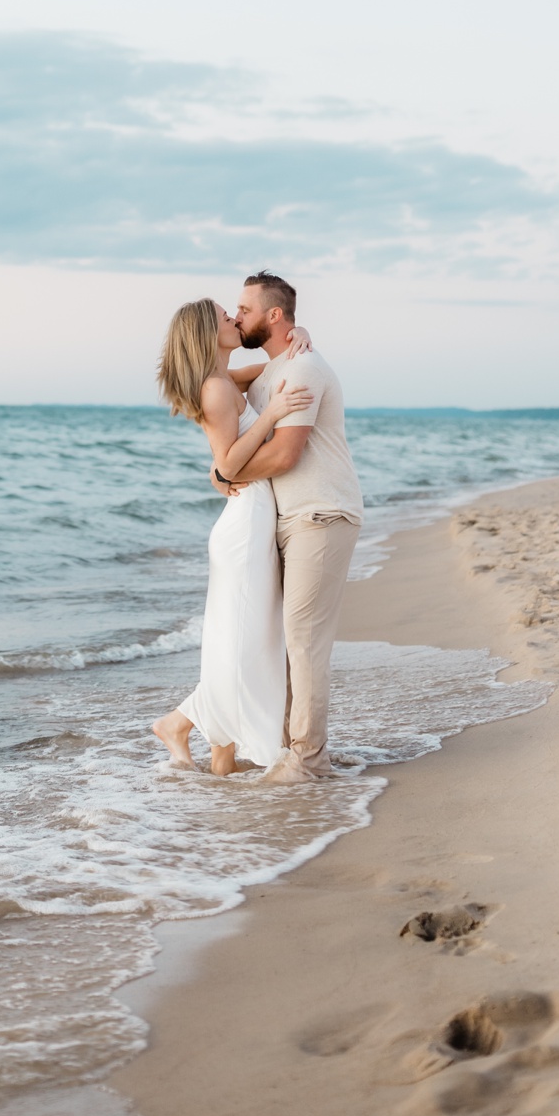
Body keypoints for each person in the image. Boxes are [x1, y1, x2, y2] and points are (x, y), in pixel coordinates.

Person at [150, 297, 314, 774]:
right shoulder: (217, 390)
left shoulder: (222, 381)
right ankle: (178, 722)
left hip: (249, 519)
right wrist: (273, 413)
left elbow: (266, 370)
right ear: (209, 332)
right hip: (244, 525)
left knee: (237, 641)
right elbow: (227, 464)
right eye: (226, 317)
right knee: (247, 643)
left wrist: (298, 336)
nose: (235, 320)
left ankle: (221, 757)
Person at [221, 272, 364, 782]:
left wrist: (226, 471)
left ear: (274, 316)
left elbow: (284, 454)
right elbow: (213, 381)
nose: (236, 316)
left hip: (321, 514)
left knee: (303, 642)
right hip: (291, 518)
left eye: (244, 308)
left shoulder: (300, 368)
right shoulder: (276, 366)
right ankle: (297, 745)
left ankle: (307, 759)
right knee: (285, 642)